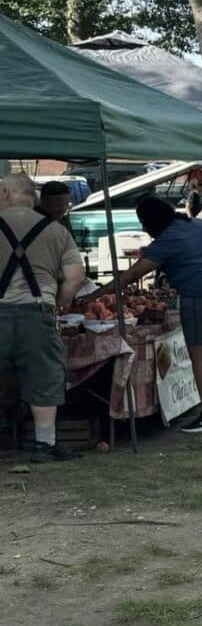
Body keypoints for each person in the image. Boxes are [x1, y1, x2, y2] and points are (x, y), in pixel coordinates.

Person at [88, 196, 202, 432]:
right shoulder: (199, 224)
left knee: (200, 354)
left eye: (143, 223)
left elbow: (131, 275)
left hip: (199, 292)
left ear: (151, 222)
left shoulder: (165, 240)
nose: (144, 228)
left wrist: (94, 295)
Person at [0, 174, 86, 462]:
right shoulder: (56, 231)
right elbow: (76, 277)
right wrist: (55, 303)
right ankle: (44, 443)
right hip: (37, 313)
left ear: (5, 192)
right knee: (44, 377)